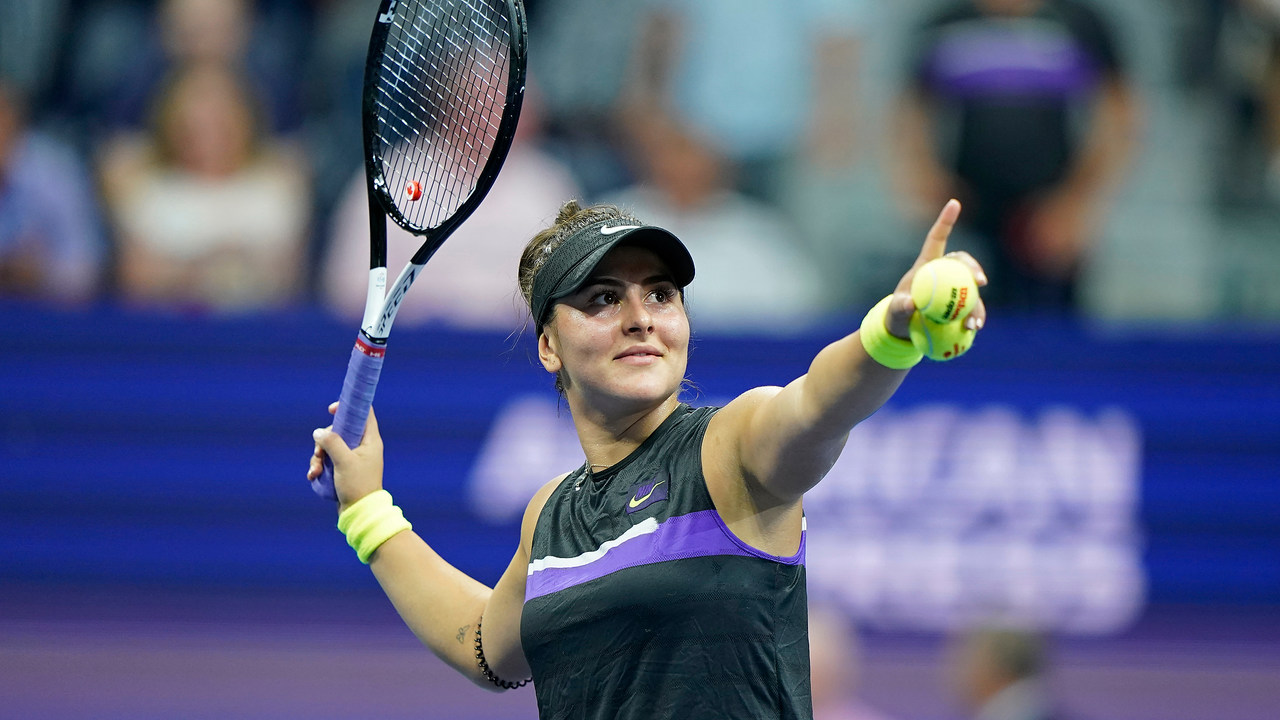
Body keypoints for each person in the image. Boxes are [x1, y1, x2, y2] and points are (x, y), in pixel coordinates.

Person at [308, 198, 987, 718]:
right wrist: (366, 508)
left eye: (660, 294)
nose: (641, 317)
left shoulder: (729, 447)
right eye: (604, 298)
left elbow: (818, 405)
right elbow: (485, 648)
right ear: (548, 346)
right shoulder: (550, 516)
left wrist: (891, 332)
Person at [891, 0, 1138, 311]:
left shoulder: (1079, 22)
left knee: (1050, 330)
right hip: (968, 216)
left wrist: (1075, 204)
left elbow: (1119, 113)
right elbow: (911, 109)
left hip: (1049, 219)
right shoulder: (945, 24)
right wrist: (924, 178)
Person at [100, 61, 311, 313]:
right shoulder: (146, 189)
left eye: (219, 122)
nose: (209, 135)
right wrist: (207, 270)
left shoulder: (276, 187)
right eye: (196, 125)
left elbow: (288, 275)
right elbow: (136, 277)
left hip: (258, 328)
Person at [946, 625, 1063, 720]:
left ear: (996, 666)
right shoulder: (1035, 705)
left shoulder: (1019, 712)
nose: (965, 671)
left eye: (972, 660)